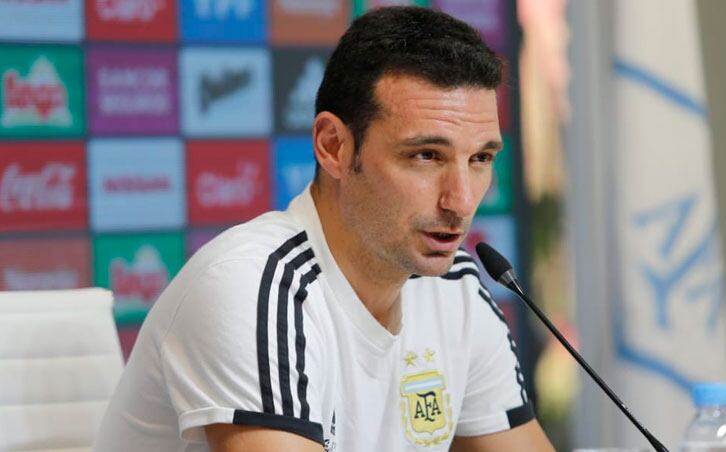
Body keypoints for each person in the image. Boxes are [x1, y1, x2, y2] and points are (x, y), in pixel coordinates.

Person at [94, 6, 555, 452]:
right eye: (425, 156)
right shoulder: (254, 287)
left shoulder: (456, 288)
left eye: (480, 159)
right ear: (333, 146)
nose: (461, 200)